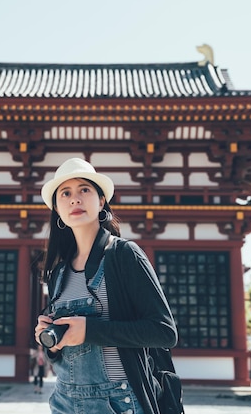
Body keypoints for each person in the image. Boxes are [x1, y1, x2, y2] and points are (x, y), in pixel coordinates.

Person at [34, 157, 178, 414]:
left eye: (84, 190)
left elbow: (164, 331)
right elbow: (62, 355)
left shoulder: (123, 254)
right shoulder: (59, 272)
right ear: (57, 208)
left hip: (116, 402)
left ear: (101, 201)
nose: (74, 199)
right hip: (64, 400)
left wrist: (90, 330)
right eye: (65, 193)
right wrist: (53, 345)